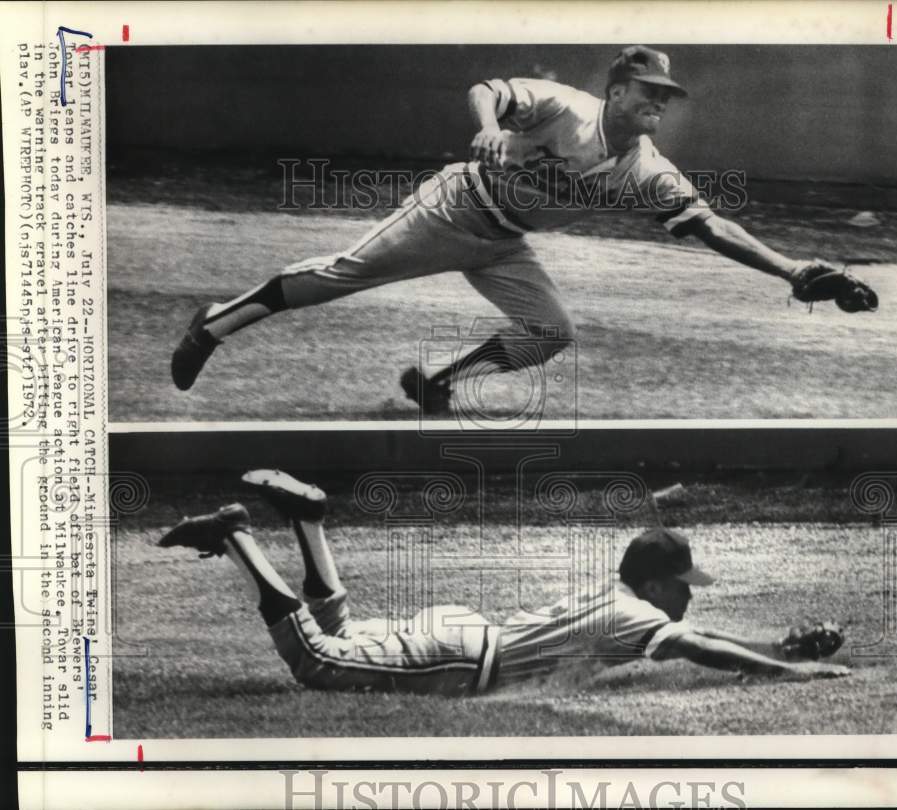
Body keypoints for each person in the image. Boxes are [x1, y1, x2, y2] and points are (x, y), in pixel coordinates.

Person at [170, 46, 841, 415]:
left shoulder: (647, 171)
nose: (658, 104)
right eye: (648, 91)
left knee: (552, 332)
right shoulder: (564, 108)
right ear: (616, 92)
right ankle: (213, 324)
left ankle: (437, 386)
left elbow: (708, 224)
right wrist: (490, 127)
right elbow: (487, 87)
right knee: (341, 276)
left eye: (665, 97)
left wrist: (788, 270)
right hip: (453, 208)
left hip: (504, 243)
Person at [157, 469, 850, 695]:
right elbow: (701, 647)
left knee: (337, 636)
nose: (691, 593)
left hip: (459, 634)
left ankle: (309, 523)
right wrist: (790, 676)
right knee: (315, 659)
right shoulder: (638, 618)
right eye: (686, 583)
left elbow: (700, 635)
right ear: (659, 584)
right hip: (460, 657)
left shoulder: (619, 600)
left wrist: (780, 649)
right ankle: (239, 536)